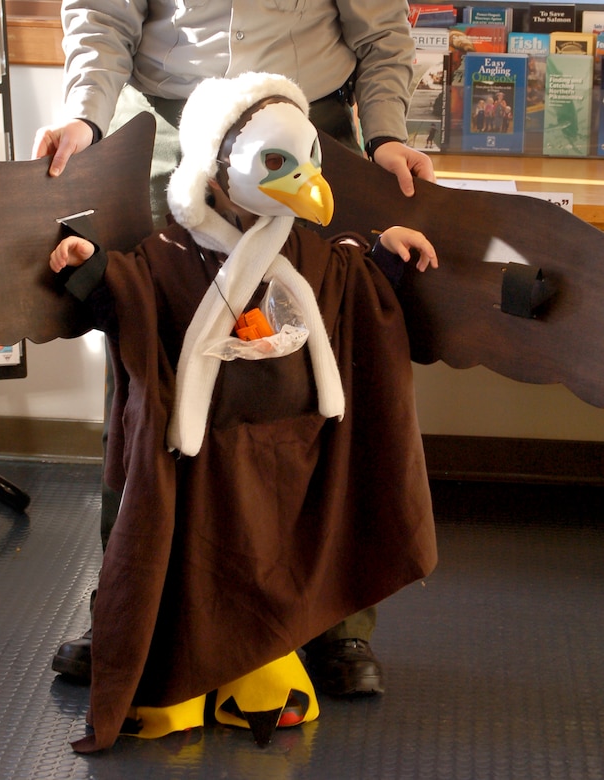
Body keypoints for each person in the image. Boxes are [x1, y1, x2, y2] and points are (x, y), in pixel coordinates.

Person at [33, 0, 438, 697]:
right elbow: (102, 16)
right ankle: (133, 607)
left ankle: (335, 616)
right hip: (169, 127)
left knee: (326, 367)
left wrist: (385, 136)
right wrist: (85, 116)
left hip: (306, 126)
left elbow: (381, 33)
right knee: (146, 368)